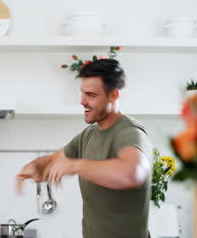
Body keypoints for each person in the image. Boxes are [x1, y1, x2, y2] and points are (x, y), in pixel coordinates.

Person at [17, 59, 152, 238]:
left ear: (113, 95)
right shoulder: (88, 135)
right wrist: (33, 169)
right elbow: (53, 161)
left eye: (91, 95)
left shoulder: (130, 132)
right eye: (82, 93)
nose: (82, 101)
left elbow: (132, 174)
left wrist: (75, 166)